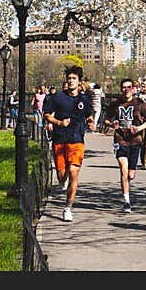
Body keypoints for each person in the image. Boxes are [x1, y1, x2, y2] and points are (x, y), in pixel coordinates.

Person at [43, 66, 94, 222]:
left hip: (77, 140)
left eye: (74, 79)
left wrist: (91, 122)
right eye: (69, 78)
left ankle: (67, 208)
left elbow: (89, 115)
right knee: (61, 175)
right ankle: (62, 181)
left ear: (79, 82)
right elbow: (46, 115)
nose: (71, 81)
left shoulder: (84, 99)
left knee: (73, 173)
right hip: (59, 139)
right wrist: (59, 122)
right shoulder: (58, 97)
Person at [104, 78, 146, 213]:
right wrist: (112, 125)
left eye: (129, 87)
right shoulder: (115, 104)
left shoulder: (140, 103)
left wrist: (139, 128)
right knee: (123, 170)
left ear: (133, 88)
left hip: (135, 141)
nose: (126, 90)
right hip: (120, 140)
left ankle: (127, 185)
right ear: (121, 89)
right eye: (124, 87)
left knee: (130, 175)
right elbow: (106, 119)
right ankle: (127, 201)